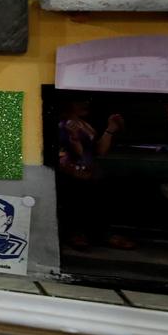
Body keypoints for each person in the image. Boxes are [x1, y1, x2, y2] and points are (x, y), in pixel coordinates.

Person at [56, 97, 136, 251]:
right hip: (73, 173)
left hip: (89, 173)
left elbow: (99, 151)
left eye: (86, 101)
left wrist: (110, 129)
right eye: (79, 100)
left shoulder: (84, 125)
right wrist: (74, 139)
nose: (85, 103)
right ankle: (76, 234)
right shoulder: (64, 125)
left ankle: (98, 233)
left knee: (96, 202)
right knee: (76, 203)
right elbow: (77, 153)